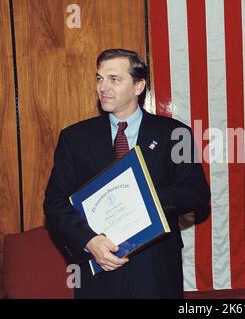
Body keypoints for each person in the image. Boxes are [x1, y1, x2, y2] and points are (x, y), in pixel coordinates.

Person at [44, 48, 210, 298]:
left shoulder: (176, 134)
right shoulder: (74, 138)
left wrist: (142, 198)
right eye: (99, 78)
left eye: (114, 79)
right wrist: (89, 241)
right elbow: (55, 203)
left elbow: (196, 194)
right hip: (98, 270)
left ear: (139, 85)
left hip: (156, 270)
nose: (103, 87)